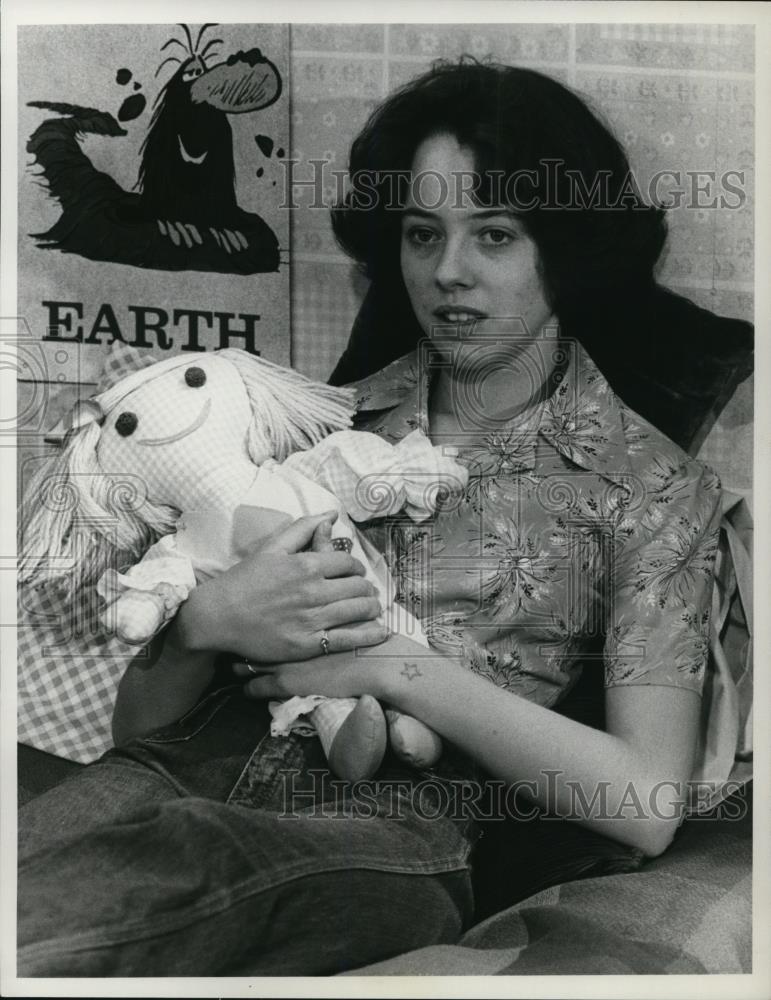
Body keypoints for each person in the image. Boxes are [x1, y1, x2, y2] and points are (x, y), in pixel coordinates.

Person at [18, 59, 738, 976]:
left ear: (563, 247)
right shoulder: (317, 420)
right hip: (182, 765)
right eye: (421, 234)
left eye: (495, 235)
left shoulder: (654, 489)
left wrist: (397, 667)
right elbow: (137, 738)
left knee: (170, 865)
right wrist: (204, 626)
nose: (447, 273)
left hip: (394, 824)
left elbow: (645, 802)